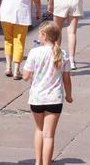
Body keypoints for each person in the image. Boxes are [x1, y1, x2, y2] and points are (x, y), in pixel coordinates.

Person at [22, 21, 73, 165]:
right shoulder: (62, 54)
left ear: (44, 36)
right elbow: (67, 79)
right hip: (54, 99)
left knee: (39, 130)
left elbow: (25, 75)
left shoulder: (34, 52)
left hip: (36, 99)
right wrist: (68, 95)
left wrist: (34, 81)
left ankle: (38, 162)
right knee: (49, 135)